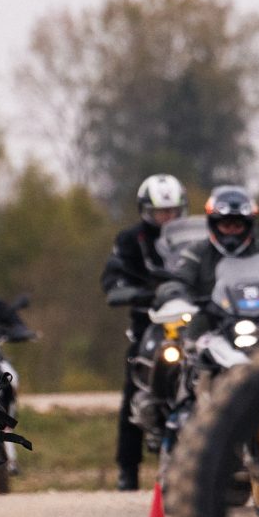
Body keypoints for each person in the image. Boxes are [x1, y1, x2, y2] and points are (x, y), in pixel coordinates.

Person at [100, 174, 187, 491]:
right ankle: (128, 469)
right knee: (134, 385)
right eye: (161, 212)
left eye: (173, 211)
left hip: (192, 321)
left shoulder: (196, 239)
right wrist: (130, 292)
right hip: (149, 321)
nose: (167, 218)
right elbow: (112, 278)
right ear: (146, 211)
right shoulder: (130, 240)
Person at [158, 185, 259, 317]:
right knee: (185, 336)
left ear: (248, 226)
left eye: (238, 225)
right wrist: (175, 296)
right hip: (212, 323)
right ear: (214, 224)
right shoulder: (197, 252)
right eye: (226, 225)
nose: (232, 231)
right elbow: (179, 280)